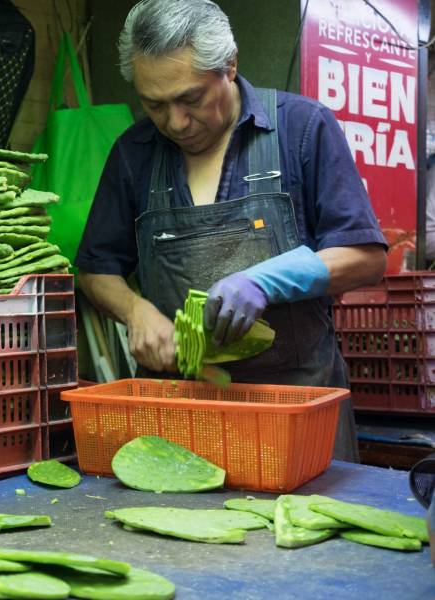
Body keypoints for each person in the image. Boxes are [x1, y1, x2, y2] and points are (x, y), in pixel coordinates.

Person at [75, 0, 387, 462]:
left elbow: (366, 256)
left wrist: (264, 281)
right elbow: (97, 268)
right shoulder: (133, 153)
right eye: (154, 104)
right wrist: (135, 310)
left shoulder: (302, 130)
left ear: (230, 66)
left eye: (191, 99)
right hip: (180, 415)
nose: (175, 122)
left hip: (296, 409)